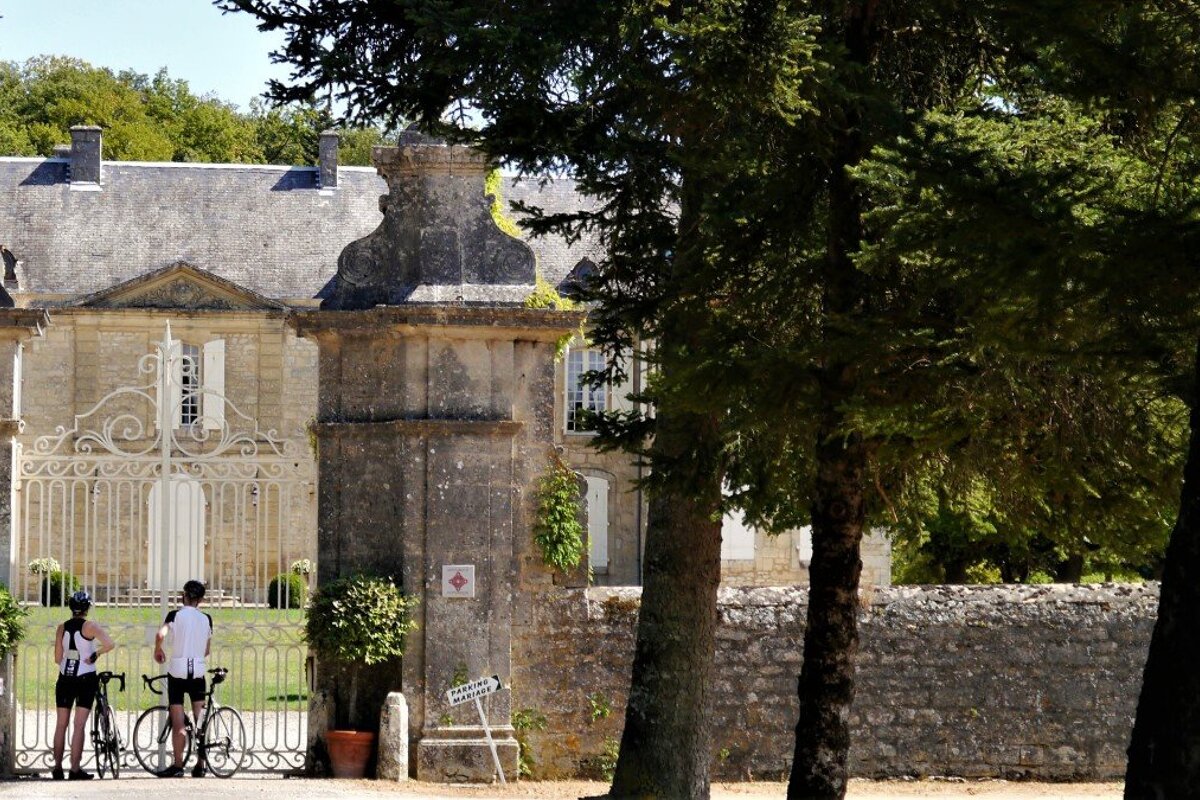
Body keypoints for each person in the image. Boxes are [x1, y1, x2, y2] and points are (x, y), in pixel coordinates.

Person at [51, 590, 114, 781]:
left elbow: (57, 658)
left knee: (61, 725)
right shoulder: (90, 626)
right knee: (79, 725)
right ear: (87, 608)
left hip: (65, 678)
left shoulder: (62, 627)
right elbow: (110, 644)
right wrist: (96, 654)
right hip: (85, 678)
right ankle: (75, 769)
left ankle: (57, 768)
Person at [153, 579, 213, 778]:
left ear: (183, 596)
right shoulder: (206, 619)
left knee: (178, 721)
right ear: (201, 600)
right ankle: (201, 764)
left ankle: (178, 765)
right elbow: (207, 650)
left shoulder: (175, 615)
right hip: (197, 672)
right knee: (200, 720)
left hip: (177, 671)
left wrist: (158, 649)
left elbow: (160, 634)